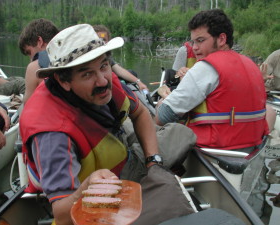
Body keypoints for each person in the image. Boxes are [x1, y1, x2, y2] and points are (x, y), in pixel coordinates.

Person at [20, 24, 196, 225]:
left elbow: (139, 113)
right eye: (86, 74)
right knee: (182, 133)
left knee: (171, 136)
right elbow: (60, 214)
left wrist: (153, 162)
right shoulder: (52, 134)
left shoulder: (104, 79)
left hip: (116, 149)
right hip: (104, 186)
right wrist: (86, 190)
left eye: (104, 65)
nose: (103, 81)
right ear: (63, 80)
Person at [155, 9, 269, 151]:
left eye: (201, 41)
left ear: (221, 39)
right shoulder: (251, 65)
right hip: (252, 149)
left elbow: (163, 117)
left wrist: (161, 104)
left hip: (215, 151)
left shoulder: (206, 67)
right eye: (193, 42)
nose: (195, 47)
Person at [93, 25, 148, 91]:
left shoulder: (106, 56)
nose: (101, 42)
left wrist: (139, 82)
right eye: (98, 39)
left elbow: (119, 70)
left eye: (104, 40)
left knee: (132, 73)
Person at [18, 18, 59, 103]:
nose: (31, 59)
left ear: (40, 41)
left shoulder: (34, 67)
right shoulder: (74, 59)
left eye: (29, 52)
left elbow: (28, 107)